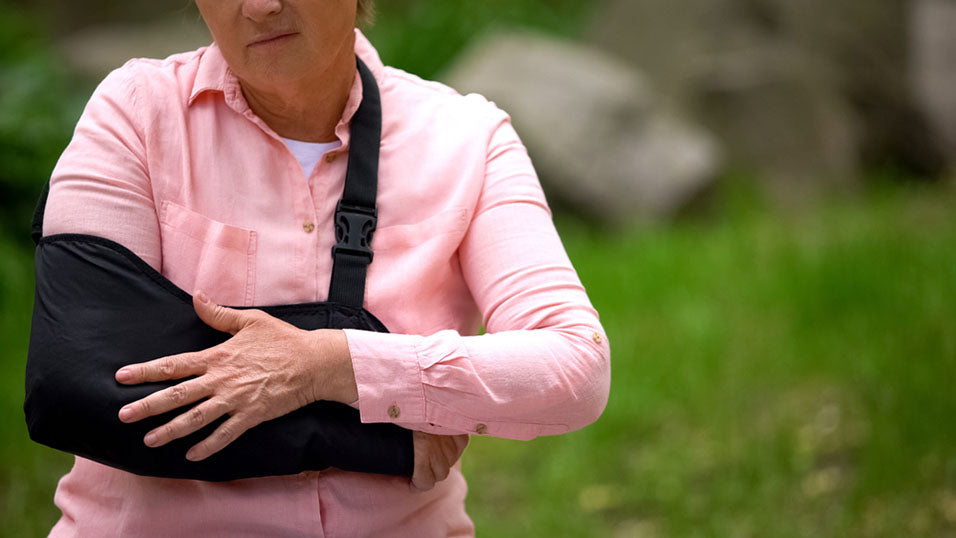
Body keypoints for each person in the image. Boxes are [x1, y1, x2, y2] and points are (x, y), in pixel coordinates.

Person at [37, 0, 610, 535]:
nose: (259, 6)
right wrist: (385, 441)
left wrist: (328, 365)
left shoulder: (469, 140)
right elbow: (77, 383)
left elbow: (575, 369)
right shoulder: (134, 113)